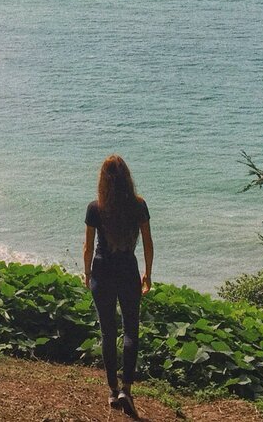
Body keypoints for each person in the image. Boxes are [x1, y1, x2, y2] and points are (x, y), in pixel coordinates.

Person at [83, 154, 153, 418]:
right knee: (131, 330)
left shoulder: (96, 207)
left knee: (108, 332)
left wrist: (87, 273)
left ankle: (112, 391)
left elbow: (88, 246)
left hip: (102, 269)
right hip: (127, 270)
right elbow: (147, 242)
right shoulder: (138, 205)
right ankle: (127, 388)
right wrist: (148, 273)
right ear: (128, 178)